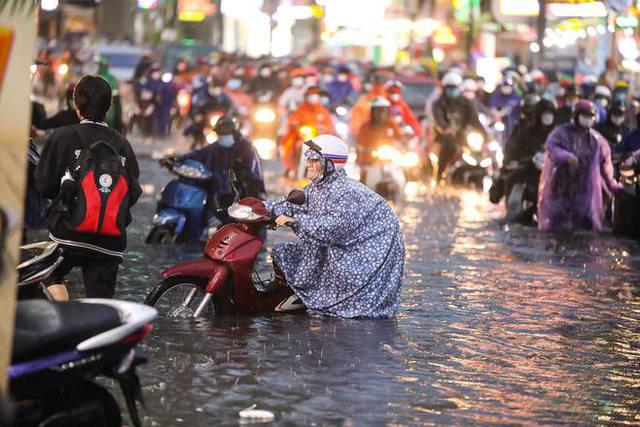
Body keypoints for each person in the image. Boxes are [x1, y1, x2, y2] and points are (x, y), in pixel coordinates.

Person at [267, 135, 404, 318]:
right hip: (349, 245)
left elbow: (332, 228)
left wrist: (294, 221)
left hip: (370, 253)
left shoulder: (345, 192)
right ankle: (297, 296)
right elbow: (291, 204)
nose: (308, 164)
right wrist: (259, 207)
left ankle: (316, 300)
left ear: (329, 164)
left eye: (314, 159)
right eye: (307, 158)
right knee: (285, 253)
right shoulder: (318, 187)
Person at [35, 75, 142, 299]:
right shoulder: (122, 143)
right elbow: (132, 192)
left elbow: (44, 185)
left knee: (45, 273)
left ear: (77, 105)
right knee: (101, 303)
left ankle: (63, 316)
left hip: (67, 234)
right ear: (109, 106)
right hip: (109, 241)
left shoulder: (62, 136)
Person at [537, 100, 623, 232]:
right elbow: (552, 147)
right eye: (584, 116)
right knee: (557, 226)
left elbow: (606, 166)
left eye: (590, 117)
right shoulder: (561, 132)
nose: (587, 120)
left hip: (585, 189)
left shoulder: (596, 140)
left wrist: (613, 186)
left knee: (585, 227)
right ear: (575, 116)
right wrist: (566, 156)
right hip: (562, 185)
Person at [170, 115, 265, 230]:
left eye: (225, 134)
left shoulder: (246, 148)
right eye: (220, 134)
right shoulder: (215, 147)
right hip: (219, 192)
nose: (222, 137)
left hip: (241, 193)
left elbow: (253, 174)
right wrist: (176, 159)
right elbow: (197, 154)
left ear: (234, 133)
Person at [432, 72, 484, 182]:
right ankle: (439, 176)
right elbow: (439, 119)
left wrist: (487, 136)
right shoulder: (439, 103)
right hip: (446, 136)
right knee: (445, 149)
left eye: (454, 88)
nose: (451, 90)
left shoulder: (467, 103)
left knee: (480, 151)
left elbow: (475, 120)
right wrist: (446, 129)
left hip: (463, 136)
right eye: (449, 88)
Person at [280, 86, 335, 177]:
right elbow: (293, 121)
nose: (313, 97)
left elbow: (329, 126)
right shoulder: (300, 110)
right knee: (295, 146)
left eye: (315, 95)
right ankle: (293, 166)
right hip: (303, 138)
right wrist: (296, 125)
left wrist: (324, 128)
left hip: (318, 140)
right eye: (311, 95)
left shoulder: (322, 111)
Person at [356, 97, 403, 167]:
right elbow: (360, 144)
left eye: (383, 111)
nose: (381, 114)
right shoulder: (365, 126)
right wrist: (361, 150)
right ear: (372, 112)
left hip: (391, 161)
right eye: (378, 111)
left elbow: (400, 138)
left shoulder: (392, 124)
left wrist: (399, 147)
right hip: (370, 162)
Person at [96, 56, 124, 133]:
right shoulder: (111, 78)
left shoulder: (110, 78)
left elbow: (115, 95)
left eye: (98, 65)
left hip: (106, 111)